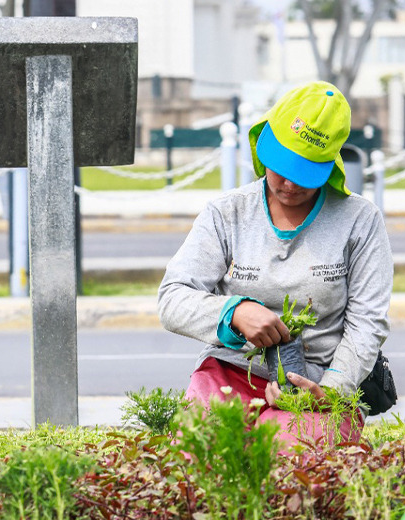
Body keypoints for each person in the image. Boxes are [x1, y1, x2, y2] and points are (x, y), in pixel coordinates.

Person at [157, 81, 392, 446]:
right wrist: (235, 313)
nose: (288, 182)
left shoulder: (360, 219)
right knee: (204, 453)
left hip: (318, 383)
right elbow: (172, 299)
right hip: (232, 373)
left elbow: (367, 323)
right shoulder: (227, 213)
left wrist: (330, 390)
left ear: (330, 164)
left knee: (296, 464)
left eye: (304, 172)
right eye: (281, 165)